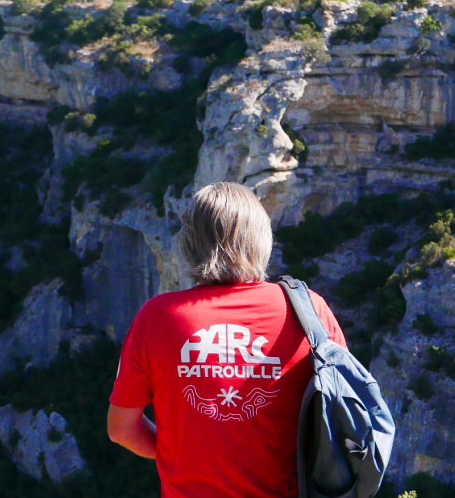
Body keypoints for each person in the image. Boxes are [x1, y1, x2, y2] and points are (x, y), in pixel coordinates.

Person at [107, 182, 346, 497]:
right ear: (262, 239)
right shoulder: (310, 311)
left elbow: (122, 429)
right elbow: (343, 413)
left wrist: (181, 456)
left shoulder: (157, 317)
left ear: (190, 243)